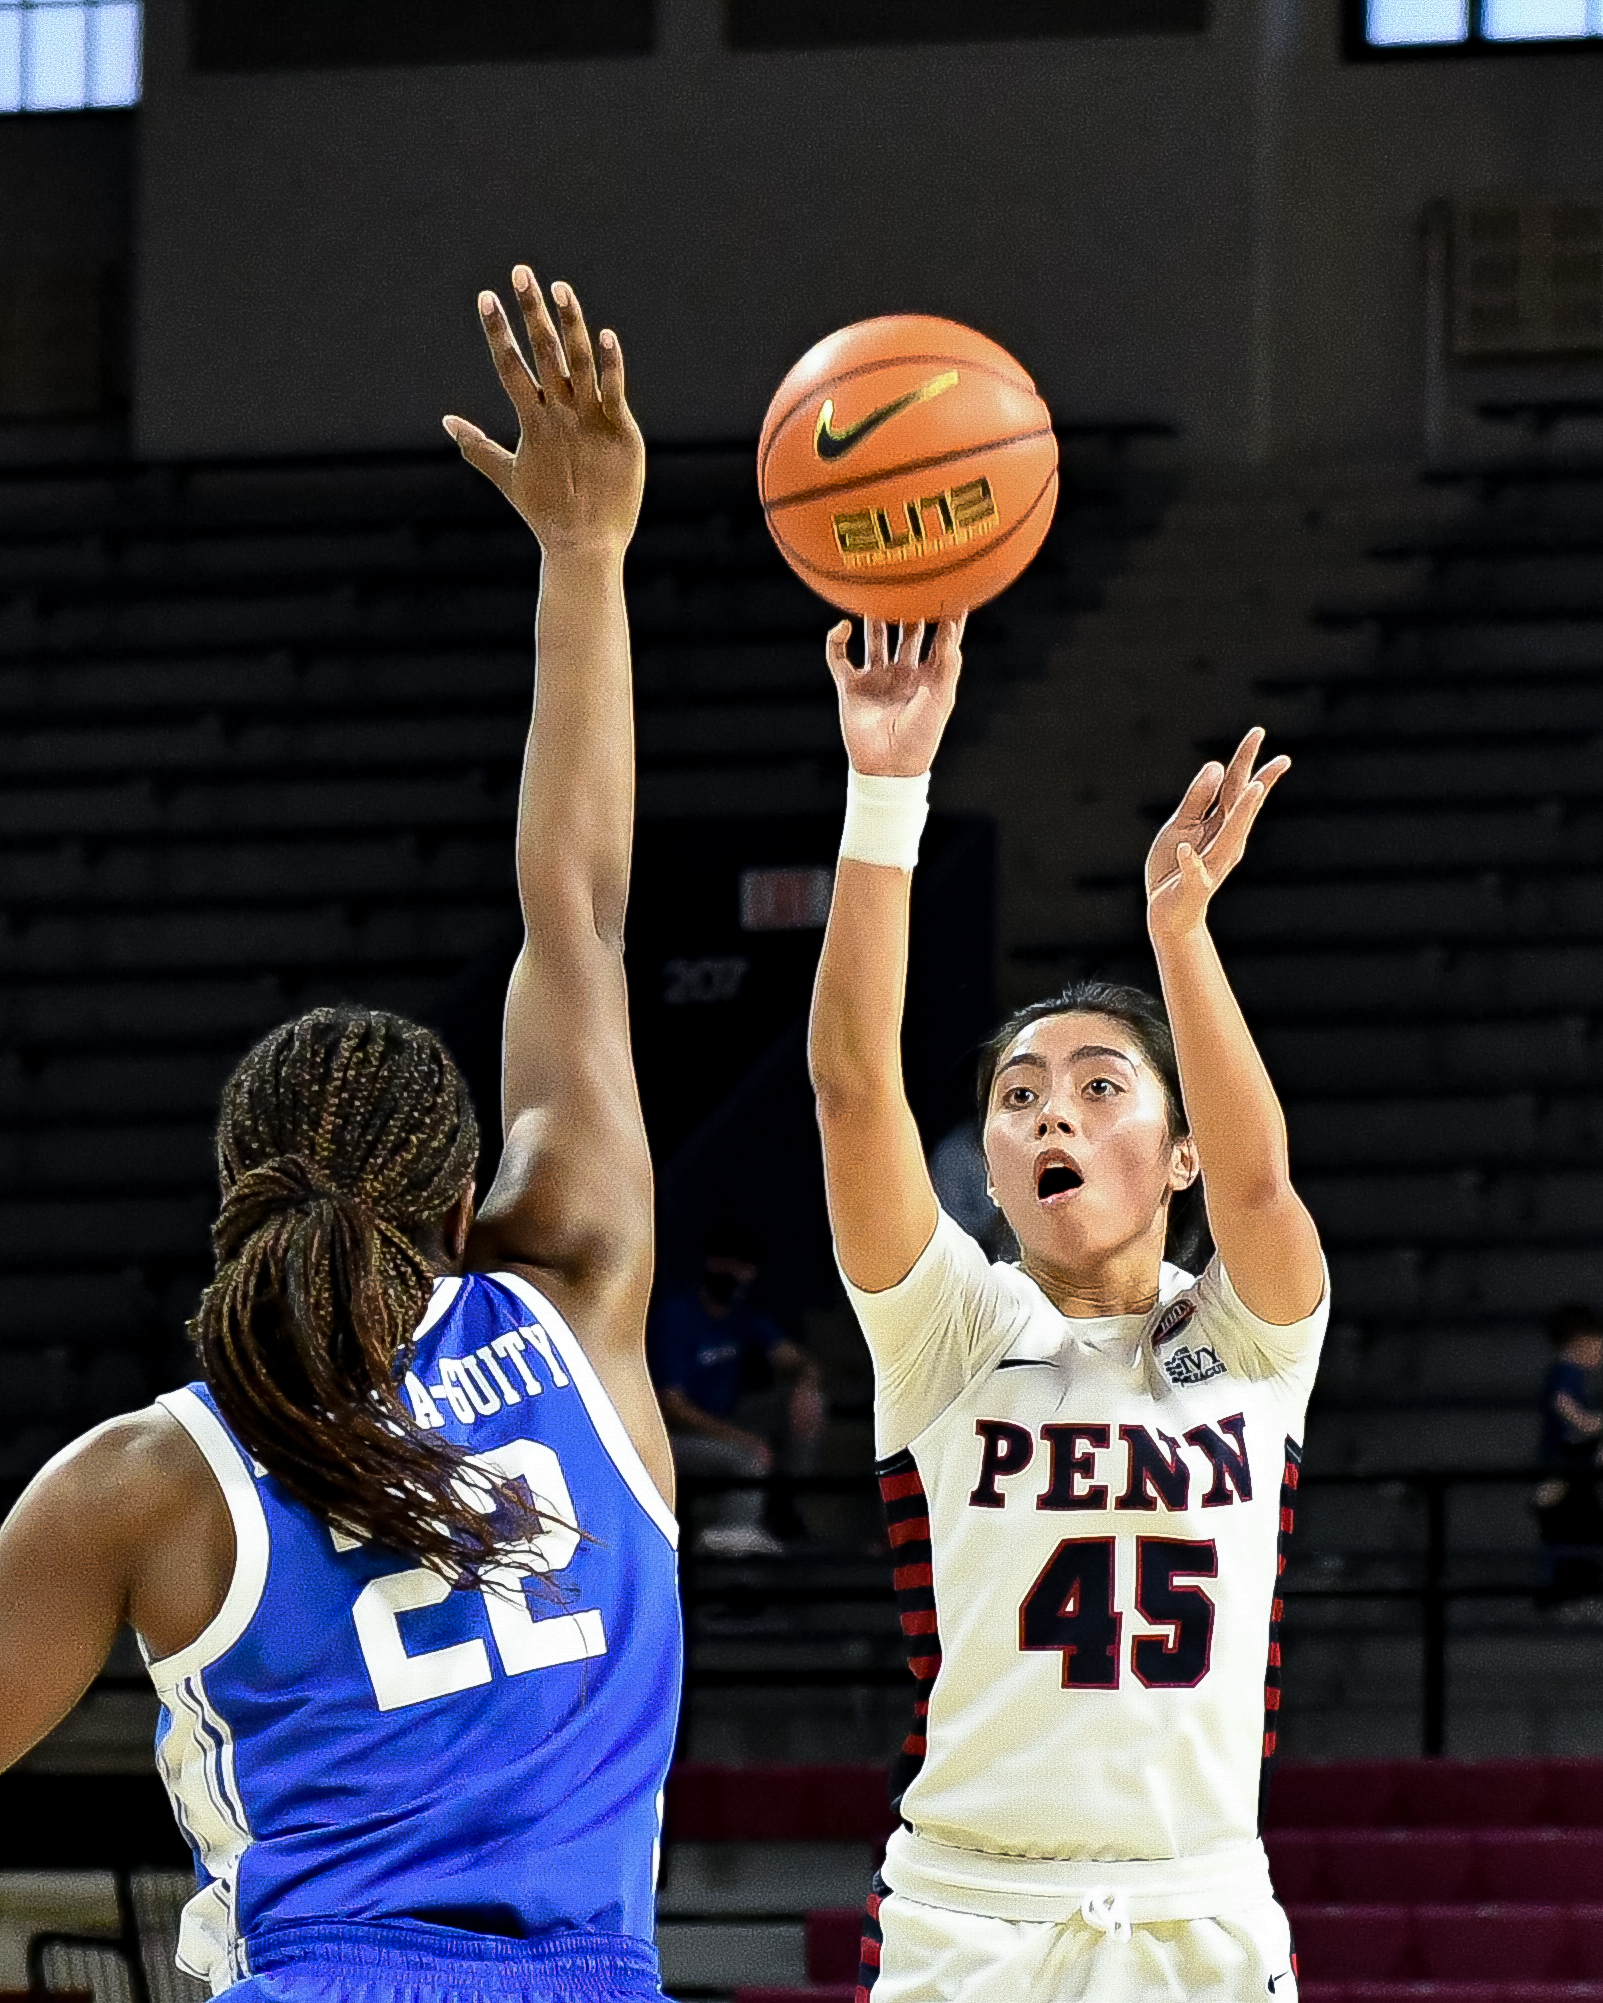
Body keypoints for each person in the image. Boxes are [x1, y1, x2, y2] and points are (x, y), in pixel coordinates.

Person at [0, 271, 680, 2003]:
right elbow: (578, 910)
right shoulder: (577, 1301)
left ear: (232, 1201)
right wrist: (586, 556)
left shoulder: (145, 1478)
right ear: (469, 1199)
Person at [808, 614, 1328, 2003]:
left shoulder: (1254, 1335)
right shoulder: (946, 1331)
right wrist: (883, 786)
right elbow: (852, 1085)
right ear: (988, 1162)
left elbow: (1263, 1174)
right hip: (970, 1917)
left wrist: (1177, 930)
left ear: (1176, 1153)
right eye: (1018, 1093)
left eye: (1101, 1083)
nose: (1053, 1106)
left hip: (1199, 1909)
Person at [650, 1227, 825, 1556]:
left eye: (743, 1265)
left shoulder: (742, 1317)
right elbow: (673, 1407)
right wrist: (739, 1438)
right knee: (749, 1457)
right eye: (726, 1263)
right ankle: (729, 1555)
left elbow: (800, 1362)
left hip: (724, 1418)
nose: (734, 1273)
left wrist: (805, 1386)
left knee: (807, 1404)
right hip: (670, 1437)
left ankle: (786, 1507)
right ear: (709, 1264)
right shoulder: (677, 1316)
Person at [1536, 1302, 1603, 1605]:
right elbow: (1565, 1408)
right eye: (1598, 1348)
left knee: (1577, 1533)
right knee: (1567, 1534)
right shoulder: (1565, 1372)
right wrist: (1592, 1423)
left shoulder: (1569, 1373)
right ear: (1580, 1342)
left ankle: (1570, 1596)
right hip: (1561, 1469)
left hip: (1568, 1466)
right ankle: (1559, 1599)